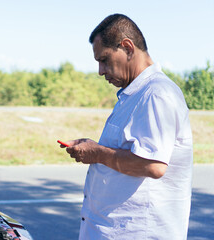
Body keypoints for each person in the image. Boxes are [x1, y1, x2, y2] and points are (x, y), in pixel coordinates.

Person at [60, 14, 193, 239]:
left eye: (104, 60)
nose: (100, 71)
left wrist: (97, 153)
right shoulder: (135, 95)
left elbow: (153, 165)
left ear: (127, 47)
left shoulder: (156, 94)